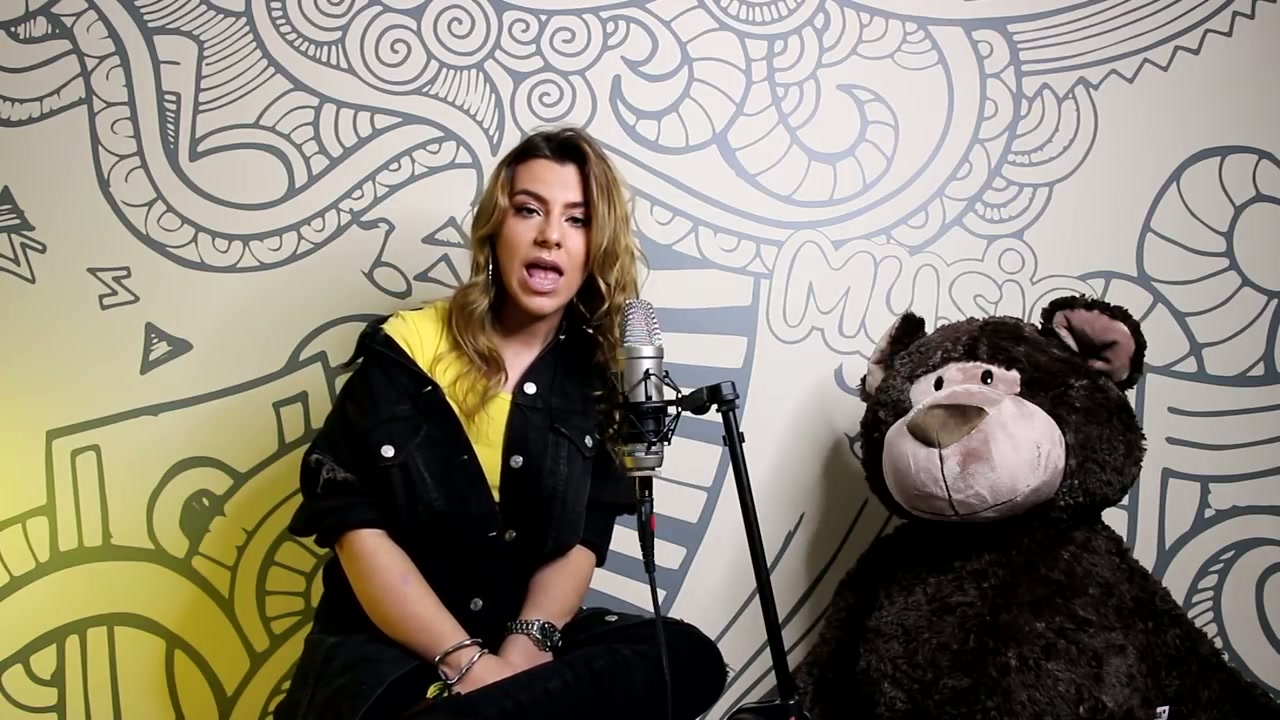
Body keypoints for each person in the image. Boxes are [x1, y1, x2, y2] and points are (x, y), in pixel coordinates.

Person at [273, 127, 729, 720]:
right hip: (391, 662)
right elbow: (356, 530)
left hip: (518, 661)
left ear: (596, 246)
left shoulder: (598, 379)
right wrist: (469, 665)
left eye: (577, 219)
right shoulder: (406, 348)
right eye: (529, 210)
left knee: (686, 657)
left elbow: (582, 540)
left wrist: (520, 655)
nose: (550, 235)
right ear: (495, 228)